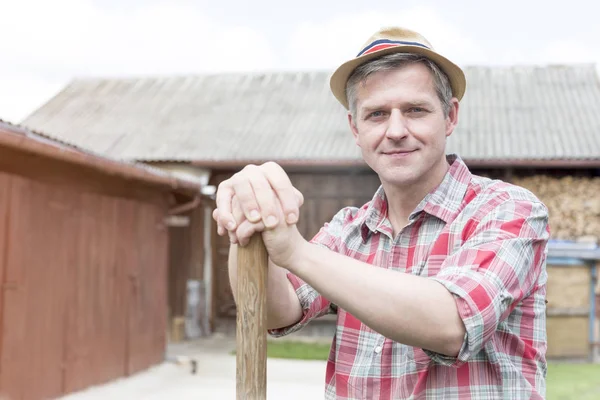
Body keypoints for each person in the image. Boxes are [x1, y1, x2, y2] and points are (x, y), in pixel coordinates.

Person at [213, 26, 550, 399]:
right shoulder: (348, 230)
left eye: (415, 110)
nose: (395, 131)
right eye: (376, 114)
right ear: (354, 128)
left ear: (450, 116)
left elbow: (453, 321)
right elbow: (276, 312)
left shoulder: (508, 210)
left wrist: (296, 252)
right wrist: (248, 219)